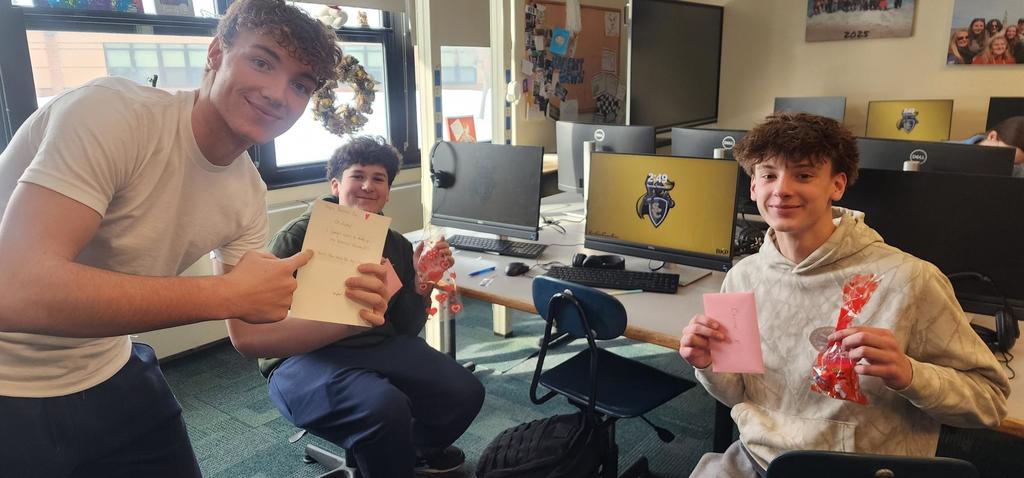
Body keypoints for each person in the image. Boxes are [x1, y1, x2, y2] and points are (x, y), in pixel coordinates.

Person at [0, 0, 391, 476]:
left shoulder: (247, 192)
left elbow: (249, 335)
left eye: (300, 84)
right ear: (214, 54)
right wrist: (223, 294)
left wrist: (353, 316)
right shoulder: (112, 114)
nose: (276, 93)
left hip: (110, 364)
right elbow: (16, 289)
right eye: (262, 61)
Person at [678, 113, 1010, 477]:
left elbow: (989, 401)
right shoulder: (743, 277)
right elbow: (737, 394)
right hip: (757, 460)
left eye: (803, 175)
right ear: (753, 187)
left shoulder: (910, 280)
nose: (782, 189)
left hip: (862, 470)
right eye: (768, 175)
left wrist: (911, 374)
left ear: (836, 185)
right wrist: (707, 365)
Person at [227, 136, 485, 478]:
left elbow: (406, 326)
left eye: (379, 178)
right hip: (302, 358)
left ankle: (408, 452)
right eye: (357, 175)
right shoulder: (297, 237)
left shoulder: (395, 244)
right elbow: (256, 320)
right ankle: (388, 459)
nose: (367, 185)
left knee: (464, 391)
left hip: (378, 346)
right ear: (336, 184)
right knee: (383, 407)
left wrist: (422, 285)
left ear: (388, 191)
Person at [959, 116, 1024, 178]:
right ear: (992, 136)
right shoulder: (950, 154)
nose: (1000, 164)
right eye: (1003, 155)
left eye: (1014, 164)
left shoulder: (1018, 172)